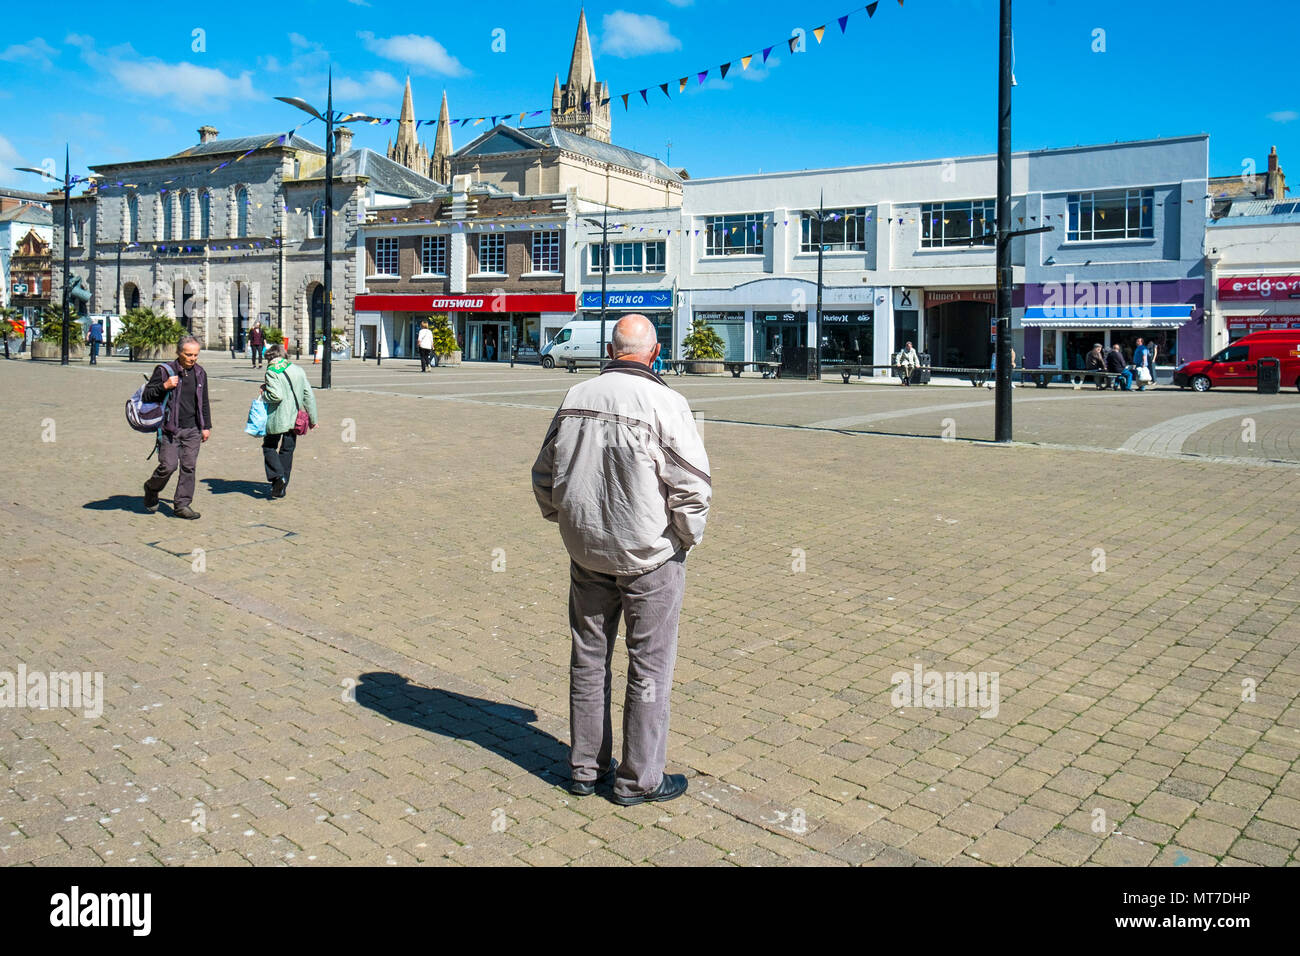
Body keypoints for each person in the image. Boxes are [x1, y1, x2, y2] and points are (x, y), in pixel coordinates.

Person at [531, 314, 711, 806]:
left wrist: (566, 520)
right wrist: (682, 542)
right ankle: (638, 779)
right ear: (655, 354)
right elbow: (693, 488)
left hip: (587, 551)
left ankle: (585, 769)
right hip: (649, 555)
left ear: (611, 351)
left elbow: (544, 474)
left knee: (588, 660)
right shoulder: (667, 403)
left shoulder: (576, 397)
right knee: (649, 667)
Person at [142, 335, 211, 519]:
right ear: (178, 352)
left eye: (195, 355)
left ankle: (182, 505)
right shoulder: (165, 371)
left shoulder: (200, 372)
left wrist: (206, 426)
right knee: (168, 466)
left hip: (193, 429)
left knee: (189, 467)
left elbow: (203, 402)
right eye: (188, 354)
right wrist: (164, 386)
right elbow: (147, 396)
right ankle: (151, 487)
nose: (192, 359)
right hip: (169, 428)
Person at [261, 343, 317, 499]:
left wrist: (264, 392)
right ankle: (282, 487)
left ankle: (278, 477)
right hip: (295, 418)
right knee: (287, 450)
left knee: (269, 446)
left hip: (277, 417)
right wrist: (313, 419)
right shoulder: (298, 370)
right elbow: (308, 395)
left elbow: (276, 395)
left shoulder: (272, 370)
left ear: (269, 357)